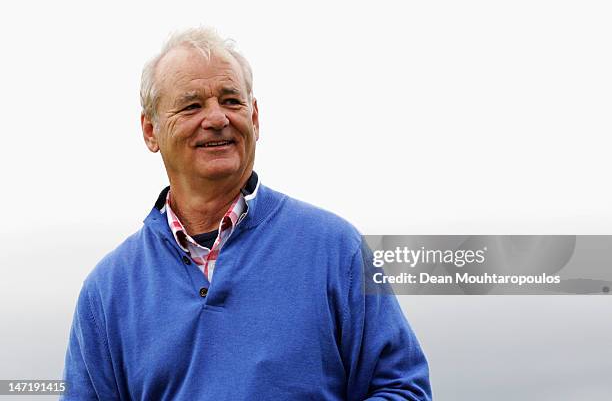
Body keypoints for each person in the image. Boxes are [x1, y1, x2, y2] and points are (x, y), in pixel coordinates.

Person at [61, 27, 432, 400]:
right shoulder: (107, 292)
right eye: (192, 106)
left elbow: (403, 388)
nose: (217, 118)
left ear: (254, 117)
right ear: (149, 131)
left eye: (231, 101)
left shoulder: (336, 250)